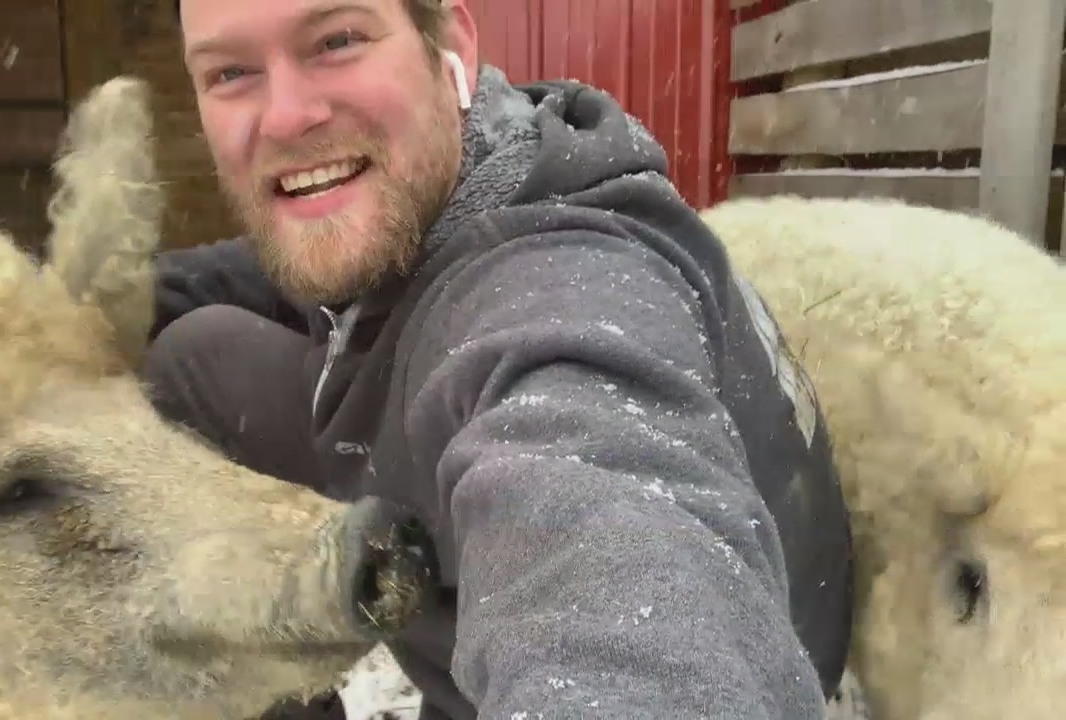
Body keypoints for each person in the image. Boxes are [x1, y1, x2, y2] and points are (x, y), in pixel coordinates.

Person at [146, 0, 854, 717]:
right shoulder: (459, 166)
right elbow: (267, 263)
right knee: (189, 356)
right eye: (231, 71)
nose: (286, 117)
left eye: (337, 41)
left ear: (451, 45)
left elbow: (616, 556)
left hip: (769, 634)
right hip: (729, 565)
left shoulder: (559, 295)